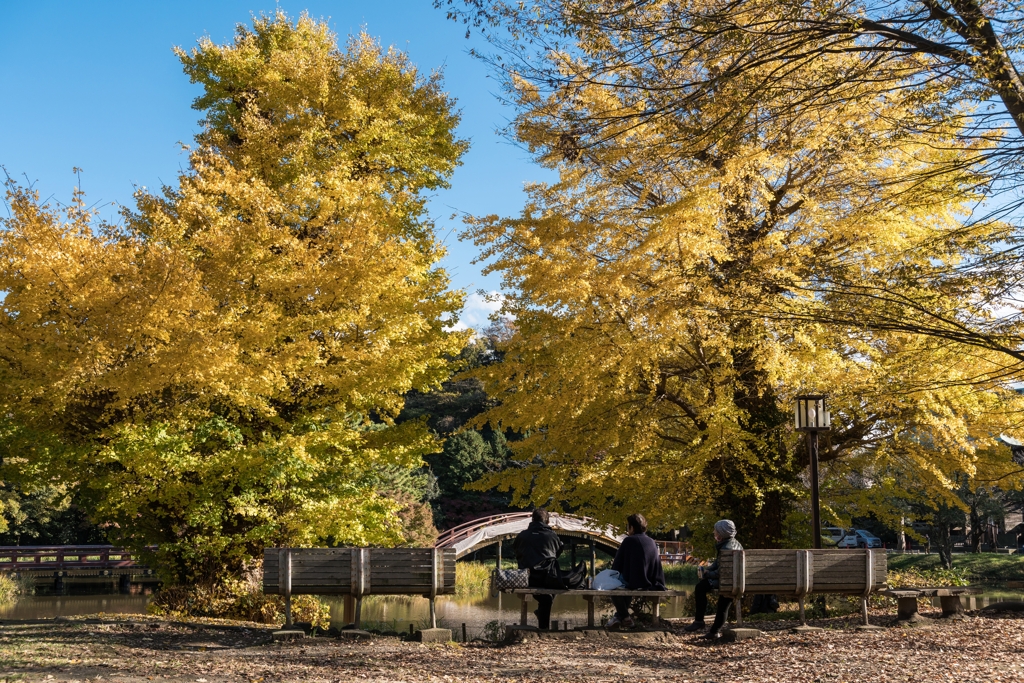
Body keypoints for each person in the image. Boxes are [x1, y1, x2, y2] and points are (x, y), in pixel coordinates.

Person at [684, 519, 743, 640]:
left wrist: (708, 575)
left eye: (715, 531)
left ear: (721, 533)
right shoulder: (735, 544)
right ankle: (713, 631)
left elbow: (722, 572)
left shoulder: (726, 548)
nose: (714, 532)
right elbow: (718, 564)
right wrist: (708, 570)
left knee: (701, 587)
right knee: (723, 603)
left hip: (728, 581)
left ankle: (699, 621)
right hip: (736, 581)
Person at [606, 513, 666, 630]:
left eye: (628, 526)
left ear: (632, 527)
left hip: (635, 582)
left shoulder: (629, 541)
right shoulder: (651, 541)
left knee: (613, 585)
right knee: (626, 584)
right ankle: (620, 617)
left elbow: (616, 566)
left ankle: (624, 617)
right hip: (651, 582)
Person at [513, 508, 566, 629]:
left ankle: (542, 622)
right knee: (550, 594)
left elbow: (516, 551)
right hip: (546, 578)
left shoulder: (522, 535)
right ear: (547, 521)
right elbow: (557, 554)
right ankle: (544, 628)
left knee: (547, 598)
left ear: (532, 520)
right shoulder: (552, 536)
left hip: (525, 577)